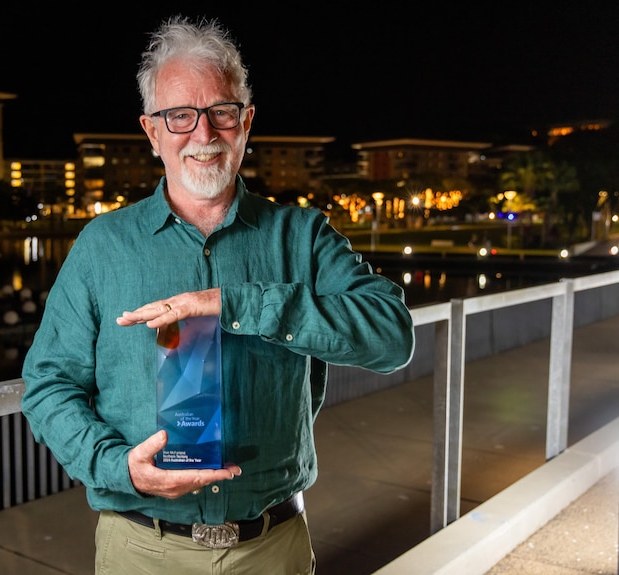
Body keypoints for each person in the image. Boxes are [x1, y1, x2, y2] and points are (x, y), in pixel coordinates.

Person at [21, 15, 415, 575]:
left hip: (271, 547)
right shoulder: (100, 247)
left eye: (221, 112)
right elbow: (47, 384)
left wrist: (234, 304)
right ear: (152, 132)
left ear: (246, 121)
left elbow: (391, 336)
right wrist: (116, 466)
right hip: (141, 549)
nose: (203, 135)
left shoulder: (301, 236)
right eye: (179, 116)